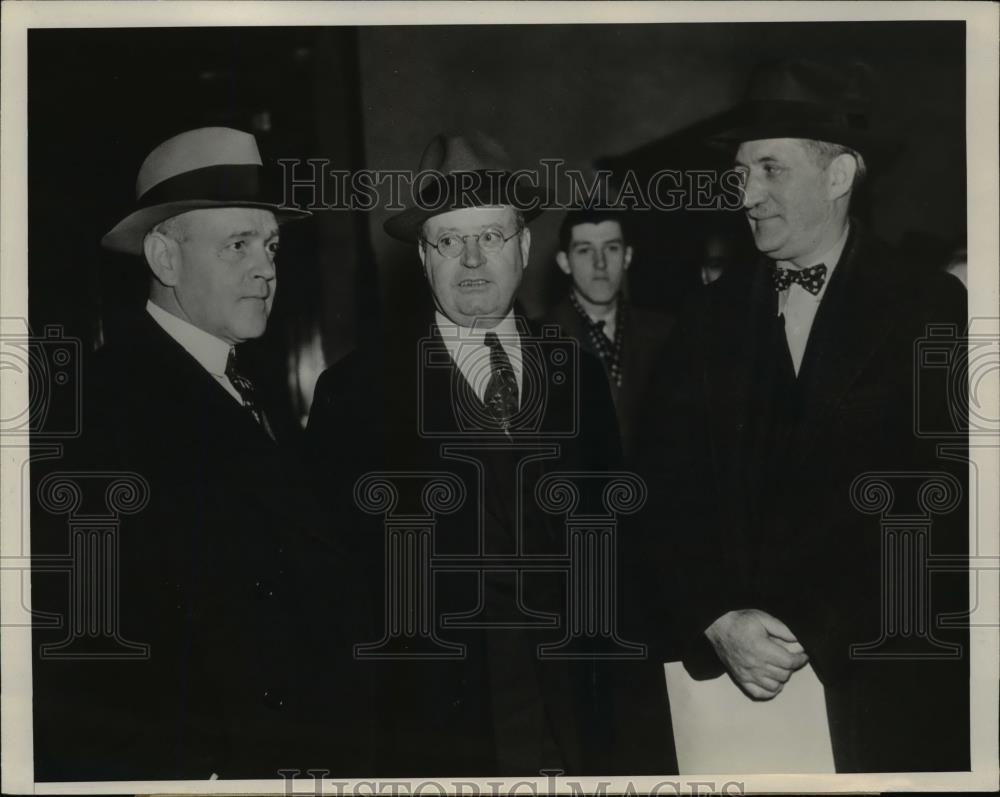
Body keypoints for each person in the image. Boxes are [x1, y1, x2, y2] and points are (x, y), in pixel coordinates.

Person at [306, 132, 676, 776]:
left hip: (583, 724)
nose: (473, 260)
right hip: (442, 736)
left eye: (492, 237)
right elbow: (335, 600)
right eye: (450, 240)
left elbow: (622, 559)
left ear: (525, 247)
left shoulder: (577, 376)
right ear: (423, 258)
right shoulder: (358, 393)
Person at [639, 60, 969, 773]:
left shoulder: (929, 308)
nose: (746, 194)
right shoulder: (704, 319)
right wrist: (717, 618)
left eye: (768, 169)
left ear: (840, 173)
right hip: (731, 688)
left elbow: (941, 503)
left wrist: (811, 630)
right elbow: (662, 495)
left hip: (879, 684)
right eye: (740, 172)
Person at [32, 127, 372, 780]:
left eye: (270, 244)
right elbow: (89, 645)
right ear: (164, 257)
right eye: (238, 244)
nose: (267, 267)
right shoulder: (102, 406)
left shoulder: (239, 383)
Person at [545, 209, 673, 462]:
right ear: (564, 262)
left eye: (611, 248)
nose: (600, 263)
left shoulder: (666, 334)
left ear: (627, 256)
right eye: (584, 250)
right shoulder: (536, 339)